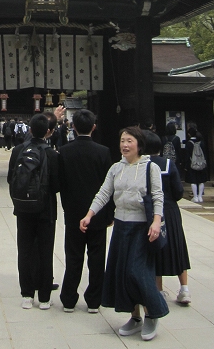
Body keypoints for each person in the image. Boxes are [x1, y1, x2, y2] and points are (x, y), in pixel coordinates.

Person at [80, 126, 169, 342]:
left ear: (139, 144)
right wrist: (89, 215)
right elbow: (104, 193)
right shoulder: (115, 168)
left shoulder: (150, 168)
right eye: (122, 140)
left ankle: (152, 313)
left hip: (142, 227)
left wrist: (157, 222)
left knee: (137, 272)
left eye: (129, 141)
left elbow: (158, 196)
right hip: (121, 225)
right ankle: (134, 316)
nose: (125, 145)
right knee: (122, 273)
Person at [58, 109, 113, 314]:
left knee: (73, 256)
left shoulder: (64, 151)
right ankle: (94, 300)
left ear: (73, 127)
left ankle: (69, 299)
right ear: (94, 127)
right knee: (97, 257)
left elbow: (60, 183)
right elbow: (109, 186)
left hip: (73, 212)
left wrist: (66, 207)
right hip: (97, 212)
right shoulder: (103, 152)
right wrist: (109, 213)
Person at [7, 112, 60, 310]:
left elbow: (11, 178)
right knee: (45, 251)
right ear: (48, 132)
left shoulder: (18, 150)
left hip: (23, 208)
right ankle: (44, 297)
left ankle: (27, 294)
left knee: (25, 250)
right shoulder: (52, 154)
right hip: (45, 209)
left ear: (29, 129)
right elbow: (56, 185)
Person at [146, 131, 192, 305]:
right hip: (170, 209)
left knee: (156, 247)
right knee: (178, 245)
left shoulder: (143, 165)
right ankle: (184, 289)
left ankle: (159, 289)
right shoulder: (168, 164)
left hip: (152, 211)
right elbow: (179, 191)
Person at [184, 122, 208, 203]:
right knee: (201, 181)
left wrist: (186, 166)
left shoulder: (188, 143)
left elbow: (187, 156)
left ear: (189, 134)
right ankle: (200, 196)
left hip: (192, 164)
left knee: (193, 181)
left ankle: (195, 197)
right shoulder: (201, 143)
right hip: (201, 163)